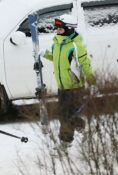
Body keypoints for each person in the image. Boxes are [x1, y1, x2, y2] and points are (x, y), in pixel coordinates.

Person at [42, 14, 98, 148]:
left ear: (68, 29)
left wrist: (92, 82)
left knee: (65, 116)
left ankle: (65, 142)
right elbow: (57, 60)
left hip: (74, 88)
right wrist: (45, 54)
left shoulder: (75, 46)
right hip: (62, 87)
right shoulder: (57, 43)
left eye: (60, 29)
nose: (57, 31)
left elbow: (85, 64)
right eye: (56, 29)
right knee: (69, 115)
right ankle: (86, 131)